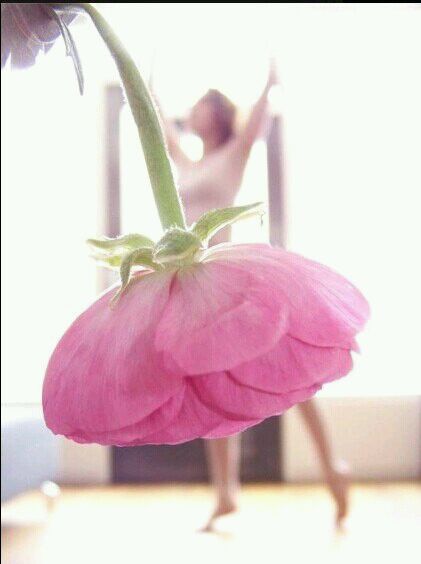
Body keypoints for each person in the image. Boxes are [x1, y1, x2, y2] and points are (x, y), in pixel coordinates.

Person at [153, 64, 349, 530]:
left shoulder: (233, 155)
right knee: (212, 388)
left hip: (233, 285)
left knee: (292, 375)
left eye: (202, 104)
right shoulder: (187, 163)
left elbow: (257, 119)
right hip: (198, 292)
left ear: (217, 115)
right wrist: (149, 83)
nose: (193, 110)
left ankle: (331, 466)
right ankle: (226, 493)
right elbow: (159, 125)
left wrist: (271, 77)